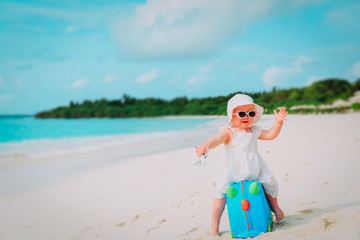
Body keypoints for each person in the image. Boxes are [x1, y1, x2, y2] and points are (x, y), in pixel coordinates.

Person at [195, 94, 287, 236]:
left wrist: (278, 123)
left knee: (270, 184)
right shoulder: (229, 131)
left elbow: (270, 135)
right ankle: (214, 227)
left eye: (251, 113)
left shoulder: (254, 130)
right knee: (220, 196)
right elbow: (216, 139)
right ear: (232, 115)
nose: (247, 117)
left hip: (254, 166)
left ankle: (276, 208)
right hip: (231, 168)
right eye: (242, 113)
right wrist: (205, 146)